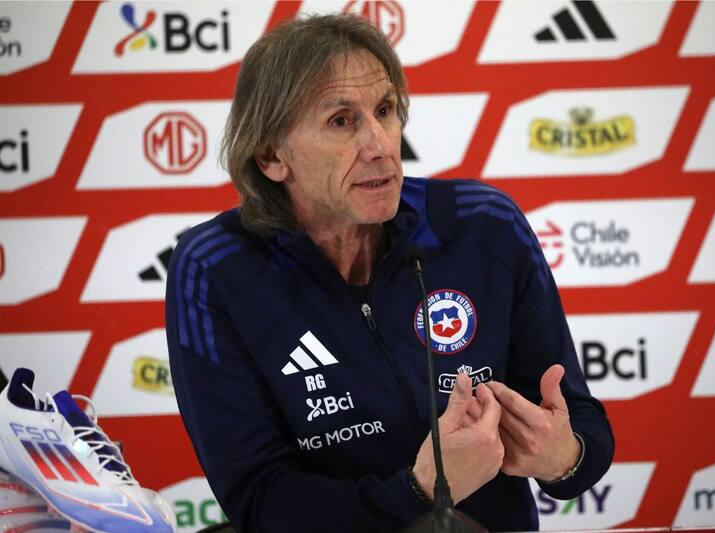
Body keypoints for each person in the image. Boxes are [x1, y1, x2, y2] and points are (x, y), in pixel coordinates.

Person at [166, 13, 614, 533]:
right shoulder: (216, 268)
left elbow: (581, 428)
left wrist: (564, 456)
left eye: (385, 110)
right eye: (342, 120)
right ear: (271, 155)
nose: (380, 144)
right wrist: (420, 489)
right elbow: (260, 501)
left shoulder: (481, 225)